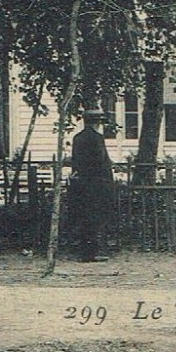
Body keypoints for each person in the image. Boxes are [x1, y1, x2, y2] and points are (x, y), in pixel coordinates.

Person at [69, 109, 116, 262]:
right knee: (95, 218)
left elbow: (75, 162)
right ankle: (91, 253)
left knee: (84, 217)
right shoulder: (97, 138)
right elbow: (101, 161)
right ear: (97, 123)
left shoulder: (77, 138)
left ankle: (85, 251)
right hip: (96, 183)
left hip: (82, 183)